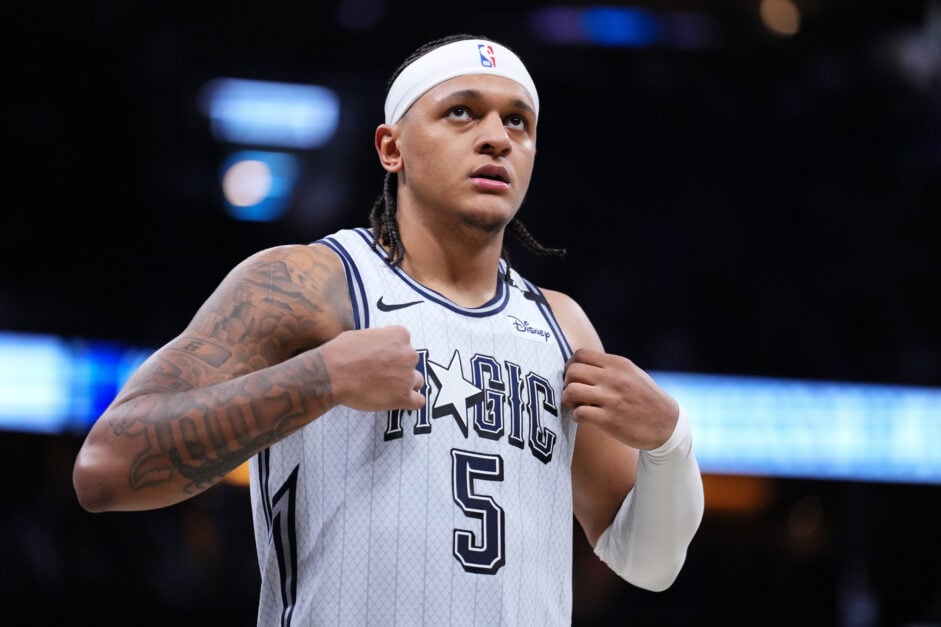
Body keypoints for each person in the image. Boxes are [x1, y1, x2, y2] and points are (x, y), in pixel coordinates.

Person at [73, 33, 705, 625]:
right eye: (462, 112)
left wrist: (668, 442)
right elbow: (105, 470)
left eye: (519, 121)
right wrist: (318, 380)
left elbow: (645, 563)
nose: (497, 138)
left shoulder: (562, 326)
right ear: (391, 147)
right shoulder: (308, 284)